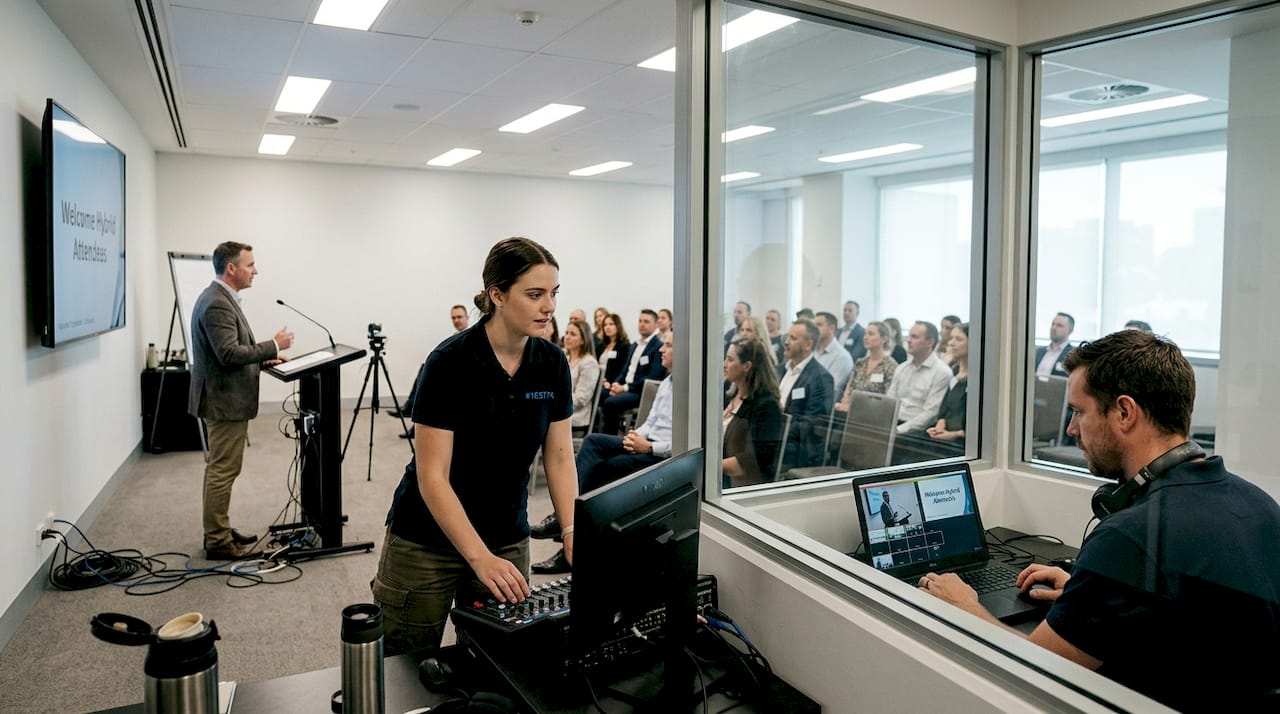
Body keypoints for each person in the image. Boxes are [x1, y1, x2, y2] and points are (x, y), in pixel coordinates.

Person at [918, 330, 1280, 711]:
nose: (1072, 429)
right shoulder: (1259, 504)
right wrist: (1092, 594)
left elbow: (1032, 669)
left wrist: (966, 608)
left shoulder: (1131, 536)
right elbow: (1200, 615)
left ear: (1124, 413)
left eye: (1078, 411)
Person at [371, 237, 579, 658]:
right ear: (497, 295)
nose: (549, 307)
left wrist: (573, 528)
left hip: (505, 535)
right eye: (535, 294)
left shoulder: (552, 363)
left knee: (494, 666)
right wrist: (478, 558)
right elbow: (432, 478)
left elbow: (559, 457)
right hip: (426, 541)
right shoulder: (449, 363)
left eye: (553, 294)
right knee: (406, 664)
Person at [530, 331, 676, 574]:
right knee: (594, 441)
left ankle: (566, 528)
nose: (661, 349)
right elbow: (651, 422)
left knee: (603, 470)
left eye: (668, 346)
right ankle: (565, 521)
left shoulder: (691, 390)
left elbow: (684, 441)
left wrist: (649, 446)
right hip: (644, 441)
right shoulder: (668, 382)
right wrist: (635, 435)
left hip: (660, 454)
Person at [188, 241, 294, 560]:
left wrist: (260, 361)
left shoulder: (220, 298)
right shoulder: (217, 303)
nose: (255, 270)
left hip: (223, 397)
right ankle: (218, 541)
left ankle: (219, 528)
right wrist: (272, 346)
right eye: (250, 265)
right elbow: (229, 353)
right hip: (223, 402)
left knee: (221, 469)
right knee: (222, 470)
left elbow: (226, 353)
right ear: (231, 268)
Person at [893, 323, 969, 461]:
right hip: (937, 433)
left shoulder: (945, 372)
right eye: (951, 338)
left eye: (958, 339)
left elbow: (932, 412)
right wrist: (941, 422)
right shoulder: (955, 371)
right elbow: (945, 408)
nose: (951, 343)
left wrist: (954, 433)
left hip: (955, 441)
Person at [392, 304, 471, 435]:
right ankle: (412, 412)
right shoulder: (455, 337)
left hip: (461, 377)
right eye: (453, 318)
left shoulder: (472, 337)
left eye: (459, 317)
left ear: (467, 317)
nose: (456, 320)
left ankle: (410, 408)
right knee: (425, 368)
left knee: (430, 378)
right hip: (452, 373)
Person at [722, 338, 784, 487]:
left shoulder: (766, 406)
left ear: (746, 366)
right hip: (721, 478)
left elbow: (753, 460)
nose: (724, 365)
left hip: (742, 486)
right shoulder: (730, 396)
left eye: (730, 360)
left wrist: (708, 465)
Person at [776, 319, 834, 471]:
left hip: (798, 446)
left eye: (793, 338)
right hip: (774, 437)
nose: (786, 342)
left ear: (808, 345)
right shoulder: (780, 370)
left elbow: (812, 423)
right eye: (787, 337)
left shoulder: (821, 378)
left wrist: (776, 432)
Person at [601, 309, 668, 434]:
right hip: (625, 388)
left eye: (646, 321)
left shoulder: (658, 347)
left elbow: (652, 377)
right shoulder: (635, 345)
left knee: (610, 403)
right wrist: (616, 384)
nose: (642, 324)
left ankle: (611, 439)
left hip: (639, 391)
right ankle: (598, 436)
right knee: (601, 394)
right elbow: (625, 370)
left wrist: (625, 388)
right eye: (640, 321)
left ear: (655, 324)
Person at [885, 321, 953, 436]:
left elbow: (931, 413)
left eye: (914, 337)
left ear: (930, 342)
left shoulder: (942, 372)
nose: (909, 340)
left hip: (917, 433)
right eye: (909, 336)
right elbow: (889, 401)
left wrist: (898, 430)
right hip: (893, 424)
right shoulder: (902, 368)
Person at [835, 321, 898, 411]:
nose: (865, 337)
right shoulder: (860, 363)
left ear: (883, 339)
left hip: (874, 414)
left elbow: (888, 400)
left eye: (871, 334)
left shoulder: (890, 365)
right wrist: (845, 404)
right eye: (865, 334)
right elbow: (848, 390)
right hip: (851, 412)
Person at [563, 318, 601, 437]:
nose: (567, 337)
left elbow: (581, 399)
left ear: (583, 340)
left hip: (575, 417)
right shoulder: (565, 358)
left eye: (573, 334)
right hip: (560, 411)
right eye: (566, 333)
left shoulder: (589, 363)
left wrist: (554, 405)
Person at [813, 311, 854, 397]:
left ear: (831, 328)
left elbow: (830, 388)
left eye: (819, 325)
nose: (814, 329)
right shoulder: (812, 351)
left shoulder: (842, 357)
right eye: (814, 325)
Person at [595, 312, 631, 393]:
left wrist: (610, 383)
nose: (607, 327)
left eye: (611, 324)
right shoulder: (601, 345)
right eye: (605, 325)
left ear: (618, 326)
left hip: (612, 384)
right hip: (598, 380)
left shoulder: (624, 346)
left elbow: (622, 370)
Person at [1034, 312, 1075, 377]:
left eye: (1059, 325)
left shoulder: (1073, 355)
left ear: (1070, 330)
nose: (1054, 328)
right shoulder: (1039, 351)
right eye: (1053, 324)